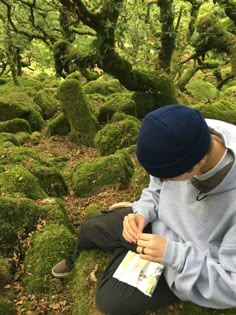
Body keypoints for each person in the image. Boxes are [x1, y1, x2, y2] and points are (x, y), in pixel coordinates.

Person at [52, 104, 236, 315]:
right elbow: (156, 186)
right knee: (89, 228)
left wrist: (174, 255)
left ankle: (124, 251)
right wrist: (142, 212)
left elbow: (231, 286)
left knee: (111, 302)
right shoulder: (192, 131)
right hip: (155, 223)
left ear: (198, 163)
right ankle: (91, 256)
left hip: (185, 259)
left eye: (168, 176)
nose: (163, 181)